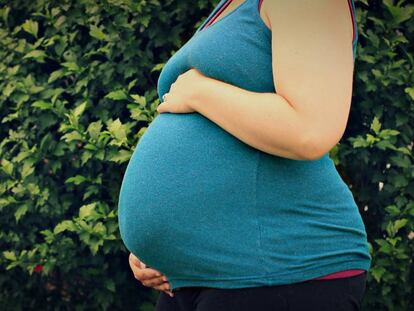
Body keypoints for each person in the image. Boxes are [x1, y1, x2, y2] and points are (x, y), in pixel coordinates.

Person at [118, 0, 371, 310]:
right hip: (204, 279)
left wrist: (199, 92)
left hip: (281, 271)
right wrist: (165, 250)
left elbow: (311, 130)